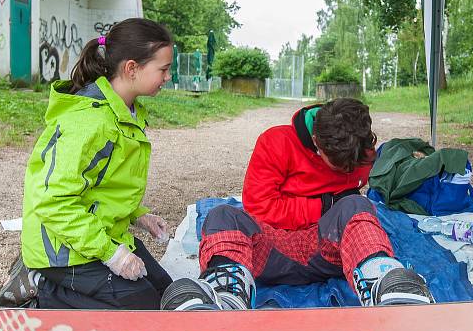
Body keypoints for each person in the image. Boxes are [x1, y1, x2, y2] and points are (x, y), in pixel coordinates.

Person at [160, 98, 434, 311]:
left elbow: (365, 188)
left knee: (357, 206)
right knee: (221, 215)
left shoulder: (361, 150)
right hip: (271, 248)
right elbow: (259, 207)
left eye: (353, 164)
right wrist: (326, 205)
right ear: (316, 142)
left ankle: (382, 285)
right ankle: (227, 296)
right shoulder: (276, 142)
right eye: (336, 163)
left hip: (331, 249)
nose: (347, 169)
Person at [0, 18, 175, 310]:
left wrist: (139, 215)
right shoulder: (90, 122)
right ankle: (40, 289)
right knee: (145, 309)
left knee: (166, 292)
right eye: (163, 69)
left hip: (96, 234)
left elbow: (105, 186)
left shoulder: (126, 112)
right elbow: (53, 203)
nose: (168, 77)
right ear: (131, 68)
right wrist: (112, 255)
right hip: (63, 247)